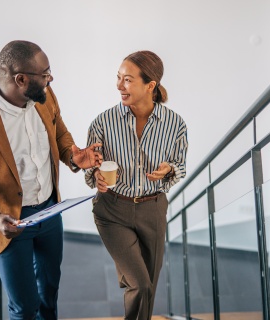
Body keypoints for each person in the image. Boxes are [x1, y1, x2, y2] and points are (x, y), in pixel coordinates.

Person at [0, 40, 102, 320]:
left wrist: (73, 156)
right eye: (45, 73)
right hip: (9, 222)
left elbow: (59, 132)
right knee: (24, 306)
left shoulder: (45, 95)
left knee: (49, 294)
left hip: (51, 211)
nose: (50, 78)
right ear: (21, 80)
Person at [84, 50, 188, 320]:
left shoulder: (175, 124)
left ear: (150, 85)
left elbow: (180, 166)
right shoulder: (103, 122)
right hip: (112, 211)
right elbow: (91, 166)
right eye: (118, 78)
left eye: (127, 80)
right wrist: (94, 175)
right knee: (140, 284)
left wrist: (169, 170)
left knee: (148, 287)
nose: (119, 85)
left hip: (153, 210)